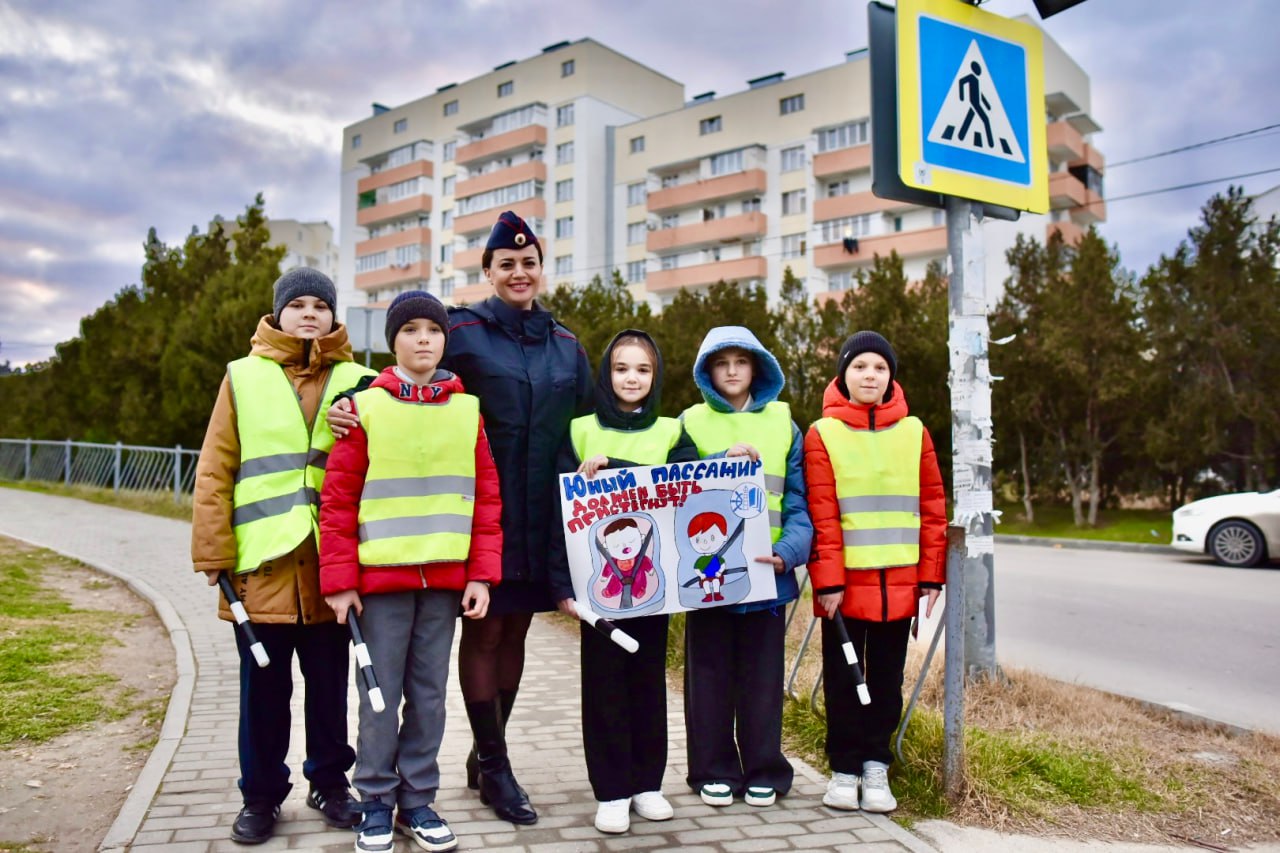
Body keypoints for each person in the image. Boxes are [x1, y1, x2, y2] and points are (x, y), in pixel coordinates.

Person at [328, 210, 591, 825]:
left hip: (542, 517)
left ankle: (484, 753)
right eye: (507, 265)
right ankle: (497, 769)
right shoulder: (464, 331)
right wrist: (349, 401)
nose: (519, 273)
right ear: (489, 272)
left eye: (529, 264)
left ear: (540, 270)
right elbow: (407, 378)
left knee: (518, 636)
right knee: (485, 634)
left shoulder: (566, 345)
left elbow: (587, 420)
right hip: (476, 518)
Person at [191, 268, 372, 844]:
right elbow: (216, 468)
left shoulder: (362, 379)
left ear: (334, 314)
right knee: (263, 697)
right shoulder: (241, 378)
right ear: (278, 313)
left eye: (322, 304)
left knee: (329, 690)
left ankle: (330, 783)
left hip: (331, 571)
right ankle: (261, 796)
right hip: (262, 571)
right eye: (298, 304)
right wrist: (213, 550)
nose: (311, 313)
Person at [320, 291, 502, 853]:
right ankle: (375, 800)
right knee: (379, 695)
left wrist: (481, 576)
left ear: (446, 340)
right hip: (380, 588)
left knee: (428, 696)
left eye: (433, 329)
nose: (423, 339)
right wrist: (340, 582)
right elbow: (339, 500)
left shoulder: (467, 411)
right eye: (410, 329)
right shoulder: (364, 408)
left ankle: (417, 801)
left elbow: (487, 500)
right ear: (391, 340)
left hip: (445, 587)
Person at [548, 330, 698, 834]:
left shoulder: (674, 431)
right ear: (606, 373)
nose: (631, 378)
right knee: (605, 686)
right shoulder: (579, 430)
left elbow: (689, 486)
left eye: (642, 370)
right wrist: (561, 585)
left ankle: (647, 784)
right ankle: (611, 790)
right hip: (599, 590)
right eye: (621, 368)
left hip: (656, 587)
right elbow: (558, 512)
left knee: (649, 684)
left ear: (655, 377)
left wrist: (735, 458)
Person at [804, 331, 946, 813]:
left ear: (891, 377)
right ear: (843, 374)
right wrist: (827, 582)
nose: (870, 375)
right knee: (844, 680)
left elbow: (932, 506)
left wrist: (931, 577)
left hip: (901, 589)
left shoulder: (915, 431)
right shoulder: (822, 433)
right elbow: (822, 513)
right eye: (860, 366)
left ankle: (876, 767)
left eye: (880, 367)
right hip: (843, 593)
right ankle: (842, 770)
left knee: (886, 681)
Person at [678, 326, 813, 809]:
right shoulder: (689, 423)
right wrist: (720, 461)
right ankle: (711, 769)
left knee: (761, 680)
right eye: (721, 362)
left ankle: (764, 768)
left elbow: (799, 500)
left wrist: (790, 551)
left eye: (742, 360)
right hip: (707, 578)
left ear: (758, 367)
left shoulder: (783, 423)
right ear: (707, 371)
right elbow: (674, 489)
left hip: (767, 574)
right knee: (708, 676)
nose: (732, 370)